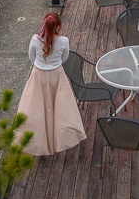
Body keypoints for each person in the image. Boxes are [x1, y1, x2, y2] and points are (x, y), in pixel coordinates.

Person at [16, 13, 87, 156]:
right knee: (60, 109)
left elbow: (31, 57)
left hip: (38, 76)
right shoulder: (64, 41)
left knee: (37, 109)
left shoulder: (35, 40)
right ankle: (59, 139)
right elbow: (64, 57)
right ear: (58, 26)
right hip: (56, 76)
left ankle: (39, 142)